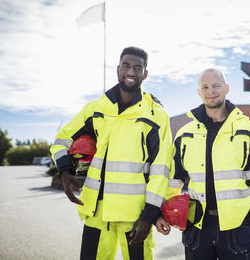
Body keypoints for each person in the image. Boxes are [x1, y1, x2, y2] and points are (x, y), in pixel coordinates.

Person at [50, 46, 172, 260]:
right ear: (118, 69)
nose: (131, 72)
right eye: (126, 66)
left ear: (145, 73)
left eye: (137, 67)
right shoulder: (95, 109)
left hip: (134, 217)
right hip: (96, 213)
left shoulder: (156, 115)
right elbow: (61, 141)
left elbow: (161, 169)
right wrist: (66, 171)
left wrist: (150, 215)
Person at [166, 68, 250, 260]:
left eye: (216, 85)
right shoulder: (184, 134)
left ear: (227, 88)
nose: (211, 91)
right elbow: (174, 178)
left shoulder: (248, 130)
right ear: (199, 92)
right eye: (205, 87)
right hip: (197, 227)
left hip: (237, 225)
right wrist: (171, 211)